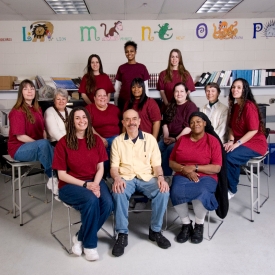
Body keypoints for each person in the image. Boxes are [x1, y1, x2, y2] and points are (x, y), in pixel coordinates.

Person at [52, 107, 113, 261]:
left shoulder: (96, 140)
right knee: (91, 200)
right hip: (70, 185)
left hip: (94, 181)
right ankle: (90, 245)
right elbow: (62, 175)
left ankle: (80, 236)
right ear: (72, 122)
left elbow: (101, 167)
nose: (82, 121)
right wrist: (87, 186)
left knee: (107, 203)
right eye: (77, 118)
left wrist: (96, 184)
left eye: (84, 117)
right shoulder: (63, 143)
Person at [110, 109, 171, 257]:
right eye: (128, 119)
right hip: (126, 177)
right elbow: (113, 168)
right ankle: (122, 234)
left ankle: (155, 231)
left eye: (134, 119)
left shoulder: (150, 139)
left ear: (139, 121)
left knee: (163, 191)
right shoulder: (118, 141)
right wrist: (117, 178)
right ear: (123, 123)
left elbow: (156, 165)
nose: (131, 122)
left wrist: (161, 178)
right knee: (119, 191)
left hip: (147, 177)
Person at [169, 112, 222, 244]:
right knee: (176, 191)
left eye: (198, 121)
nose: (195, 124)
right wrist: (185, 170)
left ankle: (199, 225)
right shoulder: (182, 140)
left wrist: (195, 168)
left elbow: (216, 168)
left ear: (204, 123)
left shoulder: (213, 141)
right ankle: (186, 224)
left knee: (201, 192)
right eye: (192, 122)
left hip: (206, 176)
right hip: (182, 174)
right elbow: (171, 162)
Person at [7, 79, 57, 191]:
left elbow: (43, 130)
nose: (29, 91)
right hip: (18, 149)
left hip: (37, 146)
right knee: (44, 145)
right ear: (21, 93)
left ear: (36, 91)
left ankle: (67, 179)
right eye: (25, 89)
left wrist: (45, 143)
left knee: (59, 149)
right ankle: (53, 179)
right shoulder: (17, 111)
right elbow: (20, 136)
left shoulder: (37, 109)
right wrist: (41, 144)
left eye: (32, 88)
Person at [224, 78, 267, 200]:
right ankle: (222, 185)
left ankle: (231, 190)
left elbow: (253, 130)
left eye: (238, 87)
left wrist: (237, 143)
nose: (235, 89)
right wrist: (230, 141)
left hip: (255, 143)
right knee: (221, 153)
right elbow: (231, 127)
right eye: (233, 87)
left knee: (230, 157)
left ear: (244, 90)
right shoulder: (235, 106)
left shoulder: (249, 106)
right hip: (241, 142)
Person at [123, 78, 162, 211]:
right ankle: (131, 196)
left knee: (146, 171)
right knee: (130, 169)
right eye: (134, 87)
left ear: (143, 88)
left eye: (139, 87)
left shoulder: (150, 102)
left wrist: (154, 140)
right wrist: (123, 140)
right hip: (131, 142)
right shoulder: (128, 103)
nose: (136, 90)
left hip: (147, 142)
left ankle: (144, 199)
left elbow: (157, 121)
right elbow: (125, 122)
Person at [158, 82, 198, 176]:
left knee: (169, 150)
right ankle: (156, 175)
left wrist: (175, 139)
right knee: (156, 148)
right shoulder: (170, 105)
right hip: (169, 137)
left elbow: (189, 127)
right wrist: (166, 137)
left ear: (186, 93)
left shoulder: (191, 106)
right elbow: (165, 124)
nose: (179, 94)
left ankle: (166, 177)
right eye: (176, 91)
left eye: (181, 91)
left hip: (183, 138)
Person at [86, 88, 121, 177]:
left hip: (115, 137)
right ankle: (105, 176)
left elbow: (123, 123)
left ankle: (112, 175)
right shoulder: (89, 109)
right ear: (94, 98)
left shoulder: (114, 109)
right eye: (99, 96)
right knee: (102, 147)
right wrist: (100, 138)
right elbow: (88, 125)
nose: (102, 98)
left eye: (104, 95)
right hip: (97, 137)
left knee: (116, 145)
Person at [114, 41, 150, 110]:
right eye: (127, 51)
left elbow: (146, 89)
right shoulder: (121, 68)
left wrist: (146, 103)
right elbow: (117, 88)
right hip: (123, 102)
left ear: (135, 52)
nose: (129, 53)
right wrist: (116, 104)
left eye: (131, 51)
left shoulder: (142, 67)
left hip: (138, 103)